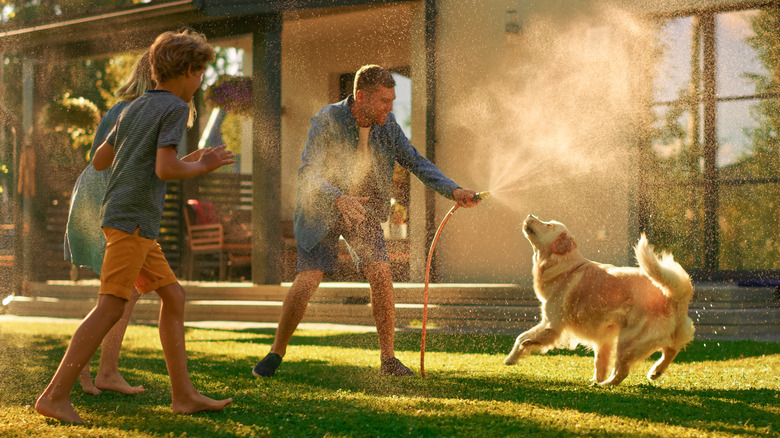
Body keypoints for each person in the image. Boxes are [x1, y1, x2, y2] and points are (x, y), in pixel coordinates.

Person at [35, 29, 235, 424]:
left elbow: (101, 160)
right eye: (201, 75)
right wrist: (202, 165)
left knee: (173, 297)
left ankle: (184, 396)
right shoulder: (176, 108)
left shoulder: (134, 106)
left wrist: (189, 156)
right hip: (135, 222)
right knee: (110, 307)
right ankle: (55, 395)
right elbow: (165, 168)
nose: (201, 83)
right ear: (190, 71)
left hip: (125, 219)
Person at [253, 64, 480, 378]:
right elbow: (308, 174)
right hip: (322, 207)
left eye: (392, 100)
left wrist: (453, 190)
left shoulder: (388, 127)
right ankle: (276, 352)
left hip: (361, 210)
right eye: (384, 101)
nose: (390, 107)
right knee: (309, 279)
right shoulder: (327, 119)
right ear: (361, 96)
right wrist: (338, 197)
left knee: (381, 273)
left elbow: (415, 161)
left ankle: (388, 360)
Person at [65, 50, 154, 396]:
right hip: (104, 195)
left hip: (95, 191)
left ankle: (102, 370)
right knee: (120, 290)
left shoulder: (126, 107)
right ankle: (97, 371)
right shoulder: (139, 109)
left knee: (120, 290)